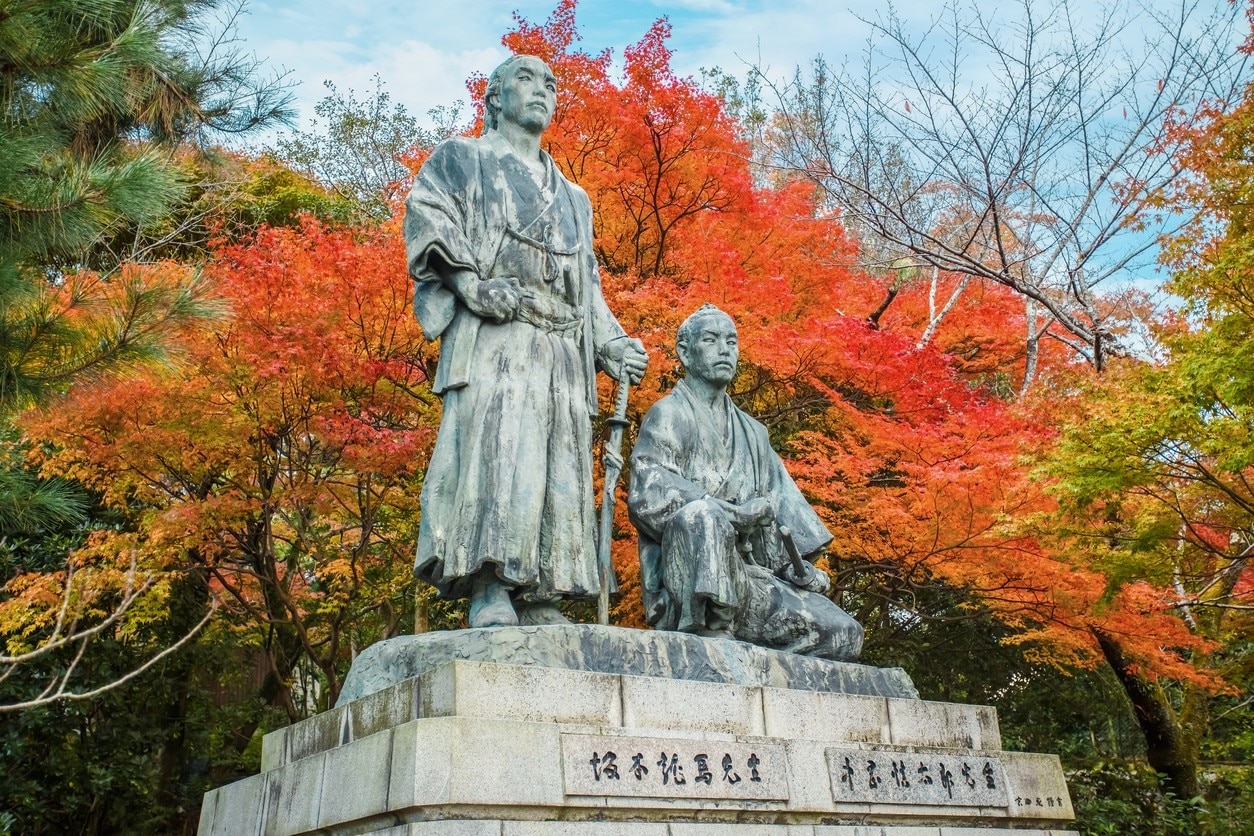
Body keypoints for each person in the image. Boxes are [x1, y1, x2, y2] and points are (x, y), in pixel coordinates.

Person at [404, 55, 648, 628]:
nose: (542, 90)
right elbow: (429, 221)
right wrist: (470, 284)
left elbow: (585, 283)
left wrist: (610, 344)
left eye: (551, 83)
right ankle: (489, 584)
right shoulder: (461, 159)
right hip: (497, 331)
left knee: (558, 462)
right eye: (526, 79)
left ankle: (541, 591)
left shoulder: (574, 197)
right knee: (497, 449)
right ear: (493, 96)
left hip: (563, 347)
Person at [627, 305, 863, 660]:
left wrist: (798, 570)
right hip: (690, 579)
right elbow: (648, 492)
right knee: (701, 515)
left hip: (749, 579)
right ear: (685, 352)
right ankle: (710, 627)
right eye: (711, 340)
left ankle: (758, 651)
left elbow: (783, 522)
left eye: (732, 341)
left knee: (846, 635)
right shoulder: (668, 414)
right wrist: (730, 513)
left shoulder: (755, 433)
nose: (725, 349)